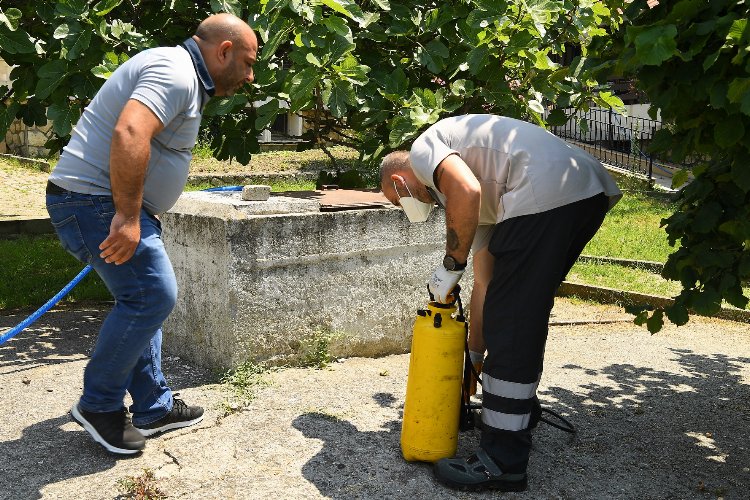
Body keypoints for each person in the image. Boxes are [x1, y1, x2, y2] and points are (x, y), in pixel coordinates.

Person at [45, 13, 258, 455]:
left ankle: (153, 407)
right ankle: (98, 405)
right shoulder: (177, 73)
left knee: (141, 297)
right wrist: (126, 216)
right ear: (224, 51)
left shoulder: (179, 73)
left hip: (100, 201)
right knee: (151, 296)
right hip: (96, 203)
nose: (250, 76)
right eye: (248, 63)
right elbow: (131, 130)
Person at [380, 114, 622, 491]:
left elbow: (466, 192)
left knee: (512, 322)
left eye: (398, 201)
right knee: (516, 311)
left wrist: (450, 265)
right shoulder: (487, 197)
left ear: (398, 181)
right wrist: (472, 361)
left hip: (549, 191)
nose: (406, 208)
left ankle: (503, 459)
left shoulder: (424, 150)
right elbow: (486, 284)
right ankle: (513, 413)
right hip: (583, 191)